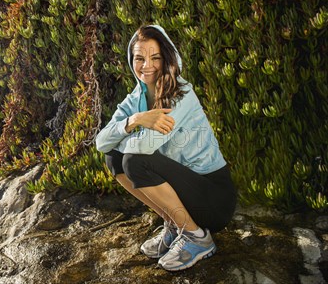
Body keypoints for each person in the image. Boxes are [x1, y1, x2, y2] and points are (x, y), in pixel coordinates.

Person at [95, 24, 237, 271]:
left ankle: (197, 237)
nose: (146, 65)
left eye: (155, 57)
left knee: (133, 161)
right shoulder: (135, 99)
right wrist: (135, 120)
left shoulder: (180, 95)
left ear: (167, 59)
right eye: (139, 58)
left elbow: (143, 147)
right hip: (187, 192)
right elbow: (101, 143)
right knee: (114, 158)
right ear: (132, 61)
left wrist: (127, 135)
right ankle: (174, 224)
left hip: (214, 198)